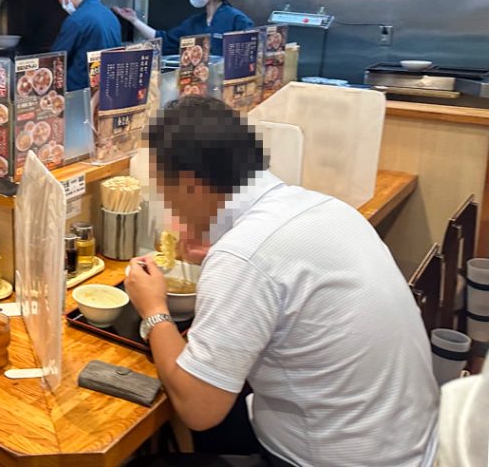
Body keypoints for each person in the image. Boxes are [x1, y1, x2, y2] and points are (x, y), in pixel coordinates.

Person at [125, 96, 438, 467]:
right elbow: (280, 276)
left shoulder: (245, 256)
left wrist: (154, 310)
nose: (169, 207)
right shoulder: (324, 208)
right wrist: (222, 258)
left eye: (166, 191)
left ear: (192, 185)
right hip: (411, 446)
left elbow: (198, 409)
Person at [113, 0, 254, 55]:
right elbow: (165, 41)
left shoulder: (237, 20)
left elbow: (250, 55)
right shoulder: (194, 22)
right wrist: (134, 20)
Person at [51, 0, 122, 91]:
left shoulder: (77, 20)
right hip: (106, 89)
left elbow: (55, 60)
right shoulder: (108, 14)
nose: (60, 3)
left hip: (79, 92)